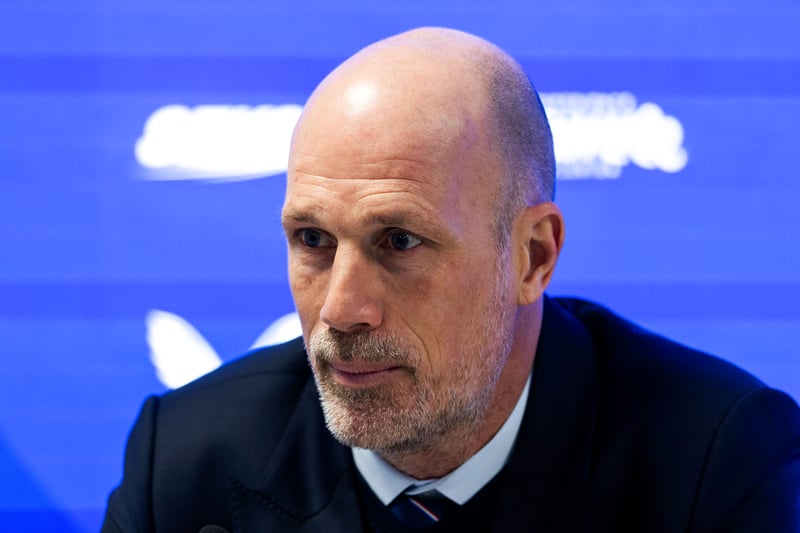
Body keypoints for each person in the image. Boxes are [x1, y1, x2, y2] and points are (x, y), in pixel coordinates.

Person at [102, 27, 800, 532]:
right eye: (313, 240)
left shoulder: (714, 461)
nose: (341, 311)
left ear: (533, 257)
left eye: (399, 241)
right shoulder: (186, 461)